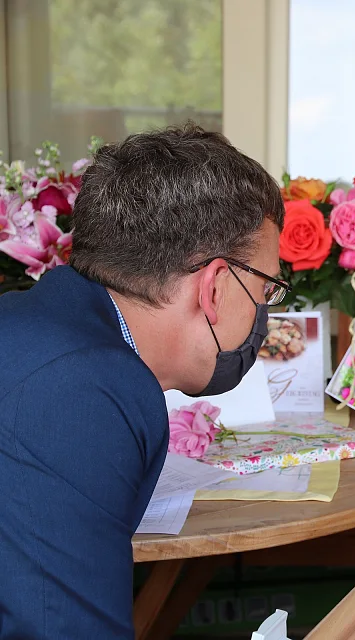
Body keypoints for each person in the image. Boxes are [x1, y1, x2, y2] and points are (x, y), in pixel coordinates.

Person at [0, 123, 288, 638]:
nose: (264, 311)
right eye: (266, 289)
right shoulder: (87, 386)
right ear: (217, 286)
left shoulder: (38, 327)